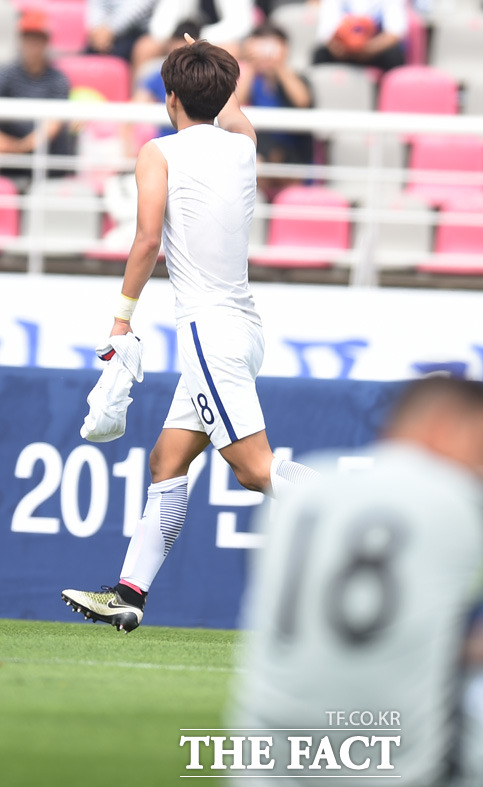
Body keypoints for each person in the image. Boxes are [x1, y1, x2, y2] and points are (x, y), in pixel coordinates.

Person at [61, 37, 319, 633]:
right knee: (166, 460)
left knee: (254, 471)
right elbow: (230, 110)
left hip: (208, 334)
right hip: (244, 332)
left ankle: (363, 518)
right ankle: (128, 593)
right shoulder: (245, 148)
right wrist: (208, 57)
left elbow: (147, 240)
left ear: (169, 97)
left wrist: (122, 318)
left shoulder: (160, 152)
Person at [232, 377, 483, 785]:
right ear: (445, 427)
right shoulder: (479, 499)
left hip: (264, 772)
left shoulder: (305, 493)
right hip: (405, 774)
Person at [237, 24, 313, 197]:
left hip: (294, 152)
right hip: (263, 151)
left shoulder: (297, 77)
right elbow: (236, 103)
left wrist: (278, 65)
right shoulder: (253, 81)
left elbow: (302, 101)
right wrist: (251, 65)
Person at [0, 9, 72, 183]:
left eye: (37, 38)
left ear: (46, 41)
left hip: (48, 159)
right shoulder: (6, 75)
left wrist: (22, 146)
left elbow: (54, 124)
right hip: (8, 158)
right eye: (28, 37)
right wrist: (8, 145)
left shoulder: (58, 79)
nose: (32, 44)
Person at [314, 0, 407, 72]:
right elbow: (326, 31)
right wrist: (340, 48)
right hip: (343, 50)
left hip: (374, 49)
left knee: (394, 55)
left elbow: (394, 32)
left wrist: (366, 49)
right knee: (320, 54)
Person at [86, 0, 157, 64]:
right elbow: (96, 5)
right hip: (102, 34)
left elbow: (138, 8)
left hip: (137, 34)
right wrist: (97, 27)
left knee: (145, 48)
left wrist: (110, 30)